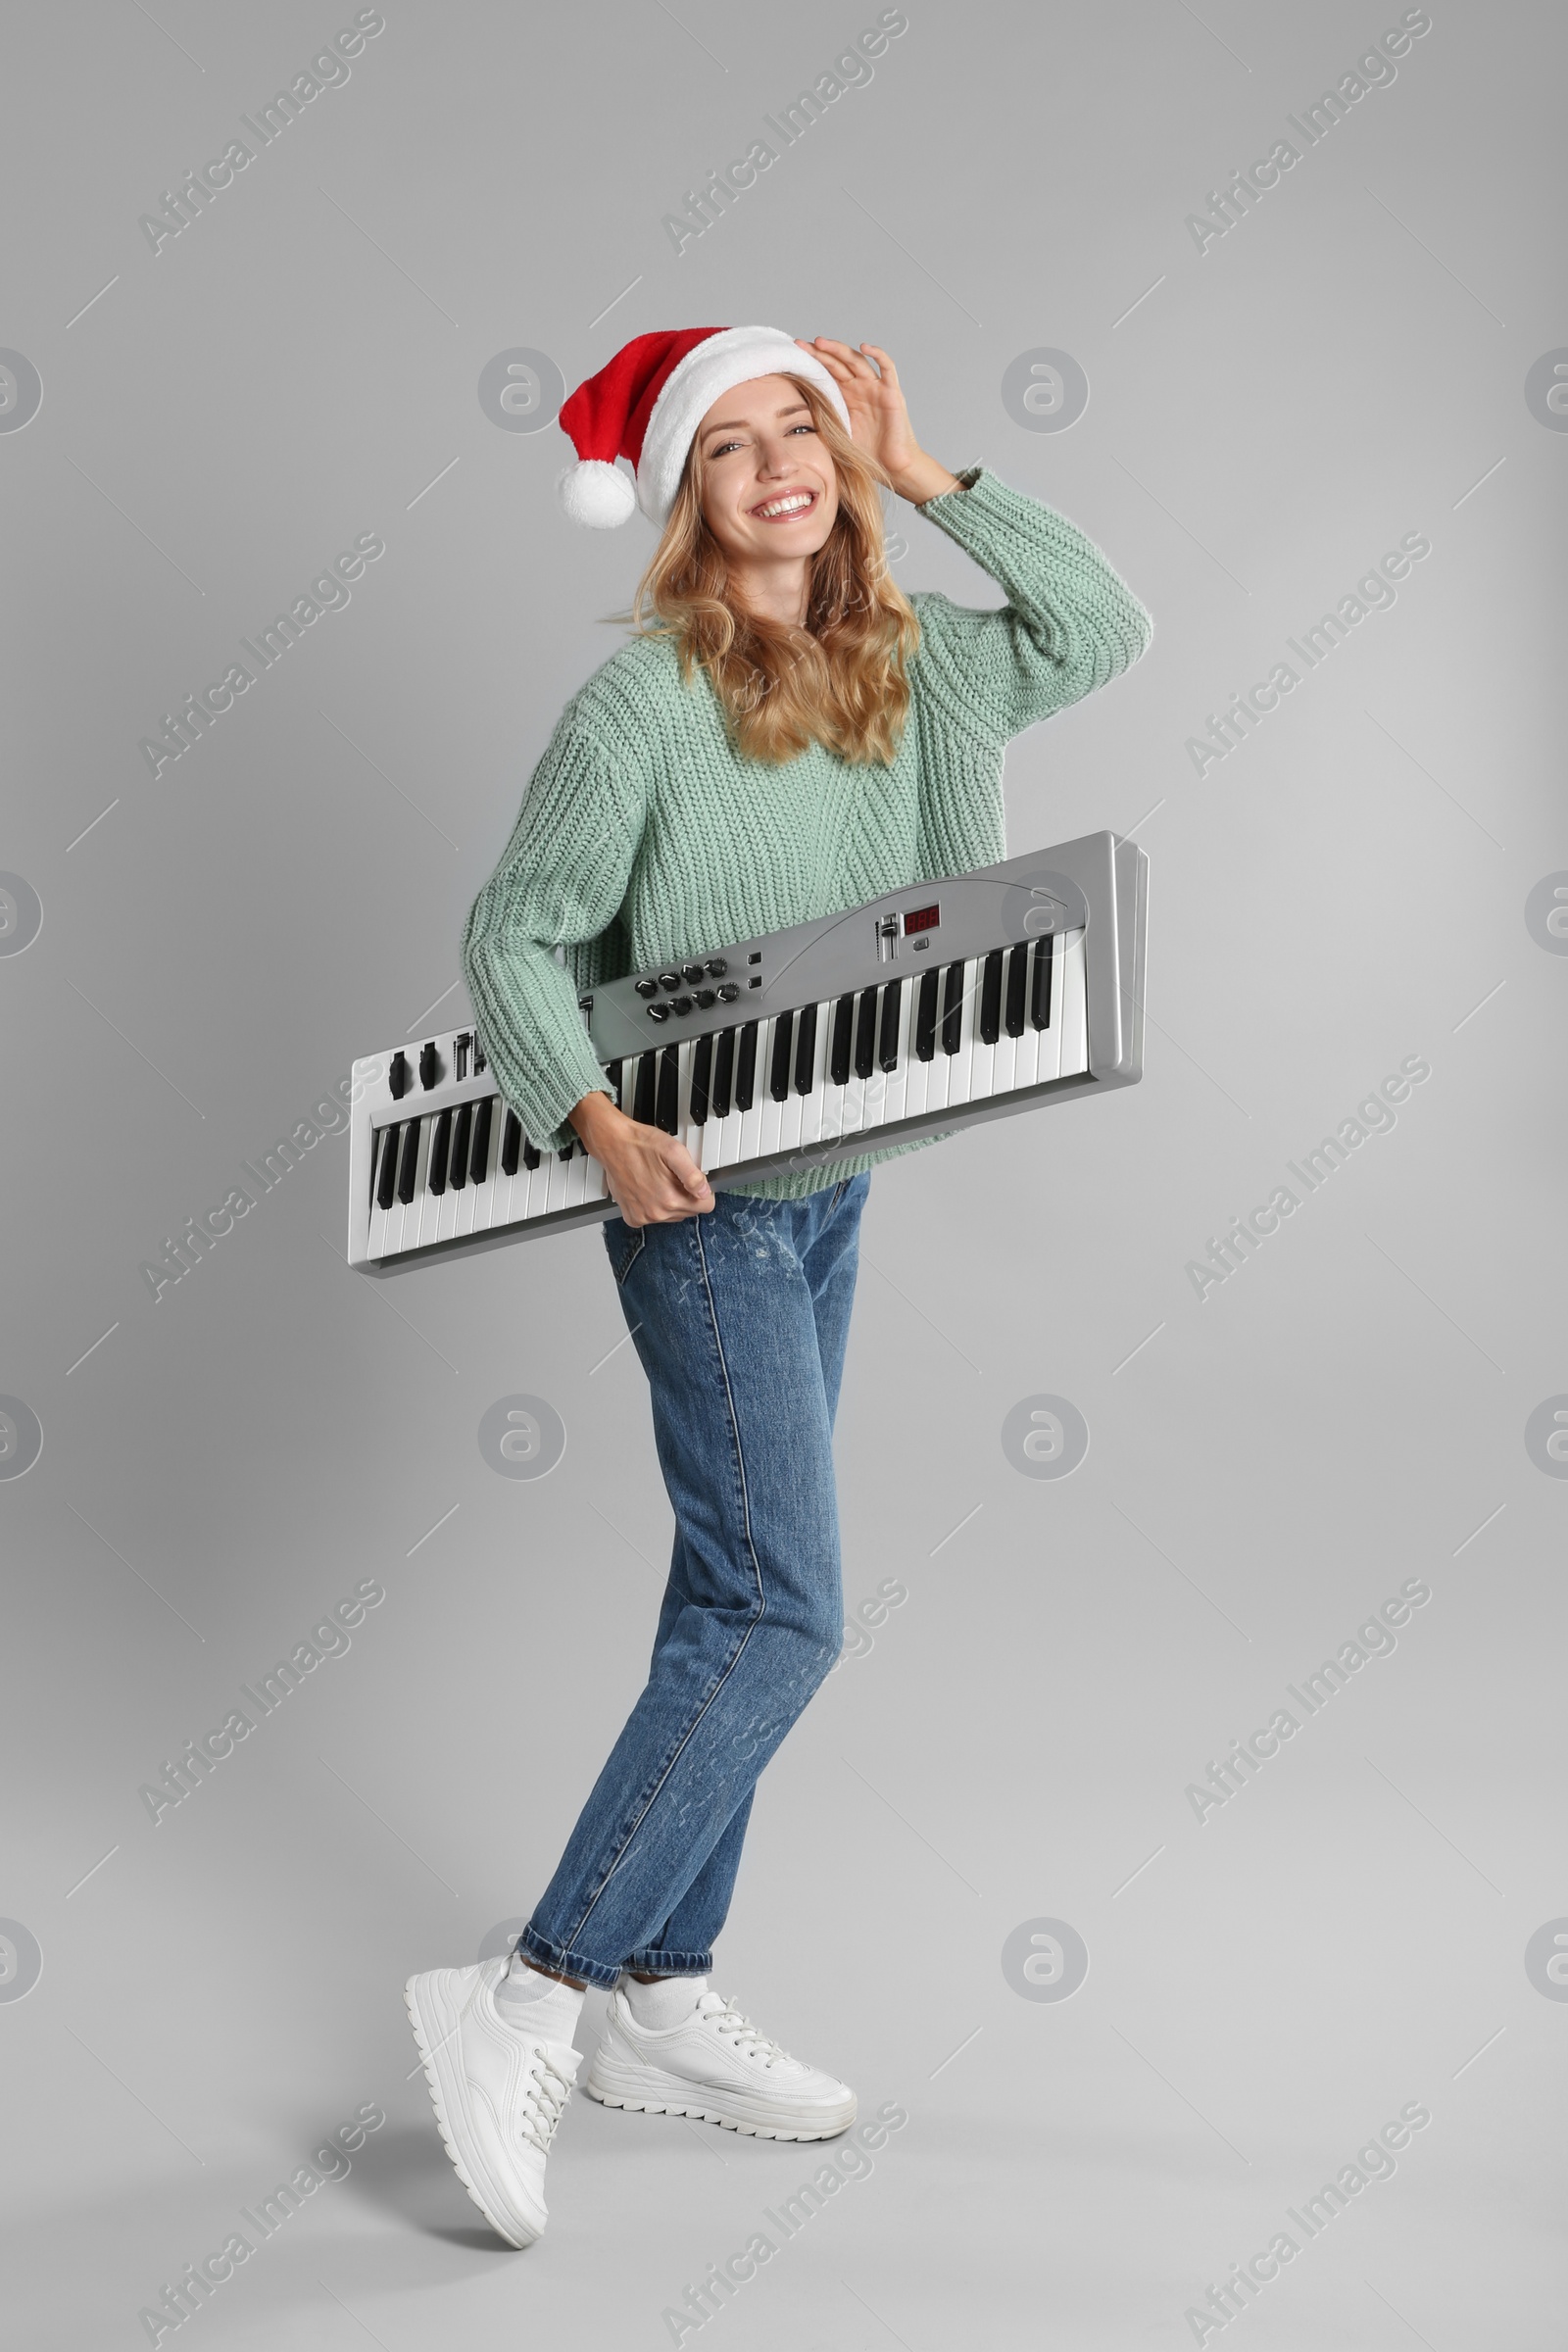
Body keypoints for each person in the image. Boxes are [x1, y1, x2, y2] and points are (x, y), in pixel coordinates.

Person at [405, 324, 1153, 2247]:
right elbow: (515, 931)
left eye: (796, 428)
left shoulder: (926, 669)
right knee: (784, 1614)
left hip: (833, 1190)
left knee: (723, 1591)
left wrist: (931, 467)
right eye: (726, 445)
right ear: (681, 495)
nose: (774, 465)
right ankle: (535, 1988)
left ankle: (662, 1991)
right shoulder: (637, 705)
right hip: (701, 1206)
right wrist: (586, 1118)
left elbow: (1099, 629)